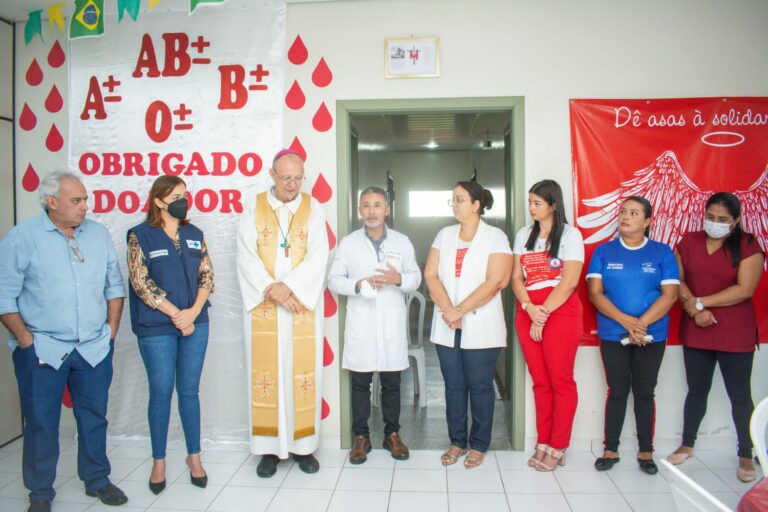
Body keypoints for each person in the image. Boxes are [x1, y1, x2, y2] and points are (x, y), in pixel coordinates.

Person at [0, 171, 128, 512]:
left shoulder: (98, 235)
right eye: (76, 201)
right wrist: (26, 339)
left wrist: (111, 331)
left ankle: (97, 480)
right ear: (51, 202)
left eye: (85, 199)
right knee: (42, 423)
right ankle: (40, 493)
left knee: (94, 417)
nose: (85, 206)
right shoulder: (22, 238)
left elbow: (114, 287)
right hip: (43, 349)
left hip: (93, 348)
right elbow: (3, 297)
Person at [236, 149, 329, 478]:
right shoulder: (254, 205)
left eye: (298, 177)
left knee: (302, 376)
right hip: (264, 307)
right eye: (286, 177)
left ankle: (303, 448)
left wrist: (289, 288)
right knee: (267, 376)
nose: (292, 184)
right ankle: (268, 450)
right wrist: (272, 289)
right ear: (272, 175)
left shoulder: (313, 208)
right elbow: (245, 255)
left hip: (300, 307)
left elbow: (319, 256)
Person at [667, 192, 764, 483]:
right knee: (696, 390)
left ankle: (746, 455)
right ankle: (687, 444)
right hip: (697, 326)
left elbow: (744, 290)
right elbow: (677, 280)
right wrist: (695, 309)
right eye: (710, 217)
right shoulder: (688, 241)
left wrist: (701, 302)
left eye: (722, 220)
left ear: (735, 221)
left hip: (735, 331)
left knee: (740, 396)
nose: (715, 223)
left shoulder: (748, 246)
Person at [127, 176, 214, 494]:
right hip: (157, 327)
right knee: (161, 393)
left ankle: (194, 457)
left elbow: (207, 276)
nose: (184, 201)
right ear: (158, 200)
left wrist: (191, 313)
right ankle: (159, 461)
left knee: (189, 392)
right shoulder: (140, 236)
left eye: (186, 195)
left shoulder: (194, 234)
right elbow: (141, 283)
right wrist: (176, 315)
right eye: (177, 196)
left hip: (196, 322)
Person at [328, 186, 422, 464]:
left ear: (387, 209)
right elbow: (333, 280)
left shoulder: (402, 242)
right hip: (362, 322)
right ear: (360, 210)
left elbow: (415, 277)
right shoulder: (348, 243)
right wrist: (357, 284)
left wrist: (398, 279)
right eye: (366, 205)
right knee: (360, 383)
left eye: (377, 205)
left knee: (392, 382)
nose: (371, 211)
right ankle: (361, 437)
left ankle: (392, 434)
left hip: (391, 322)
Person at [586, 196, 679, 475]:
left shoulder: (662, 253)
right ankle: (610, 448)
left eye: (634, 213)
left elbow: (670, 295)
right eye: (623, 212)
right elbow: (595, 293)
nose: (625, 217)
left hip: (653, 334)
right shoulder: (604, 252)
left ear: (647, 221)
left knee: (644, 392)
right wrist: (626, 322)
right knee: (617, 391)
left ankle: (646, 450)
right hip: (614, 333)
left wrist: (641, 324)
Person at [424, 181, 512, 469]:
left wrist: (460, 309)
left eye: (459, 199)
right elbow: (431, 274)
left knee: (481, 387)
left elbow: (497, 280)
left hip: (482, 324)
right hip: (448, 324)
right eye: (452, 199)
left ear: (476, 204)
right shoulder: (444, 235)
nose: (453, 204)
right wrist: (450, 310)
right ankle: (457, 441)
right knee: (454, 387)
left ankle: (479, 444)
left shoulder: (495, 237)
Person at [511, 179, 584, 472]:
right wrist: (529, 308)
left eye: (537, 203)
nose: (531, 208)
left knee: (560, 381)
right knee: (540, 381)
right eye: (529, 202)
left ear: (554, 204)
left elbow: (569, 281)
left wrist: (543, 314)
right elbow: (517, 278)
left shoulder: (570, 235)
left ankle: (558, 444)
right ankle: (543, 441)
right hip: (528, 309)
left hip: (560, 312)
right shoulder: (523, 234)